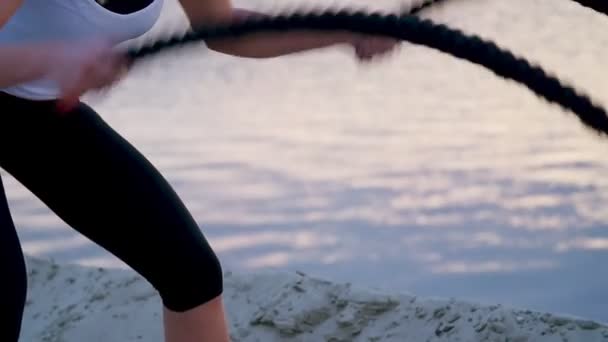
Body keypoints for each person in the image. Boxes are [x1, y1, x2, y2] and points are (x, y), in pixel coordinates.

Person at [0, 0, 399, 341]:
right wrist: (50, 58)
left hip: (38, 113)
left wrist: (344, 30)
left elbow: (223, 30)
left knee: (192, 276)